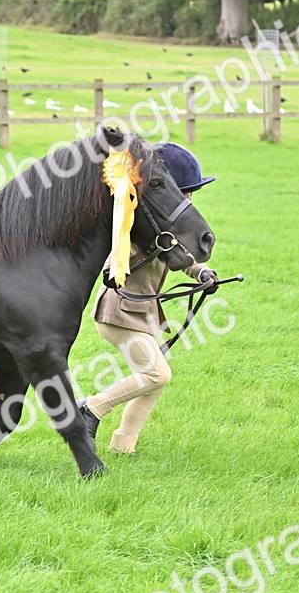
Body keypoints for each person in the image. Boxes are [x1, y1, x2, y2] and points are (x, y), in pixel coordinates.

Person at [78, 143, 217, 455]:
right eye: (185, 192)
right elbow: (117, 253)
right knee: (157, 374)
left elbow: (183, 256)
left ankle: (123, 444)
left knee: (154, 380)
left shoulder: (166, 229)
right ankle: (91, 408)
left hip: (141, 314)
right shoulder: (138, 225)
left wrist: (202, 273)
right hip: (118, 313)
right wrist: (117, 261)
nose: (189, 200)